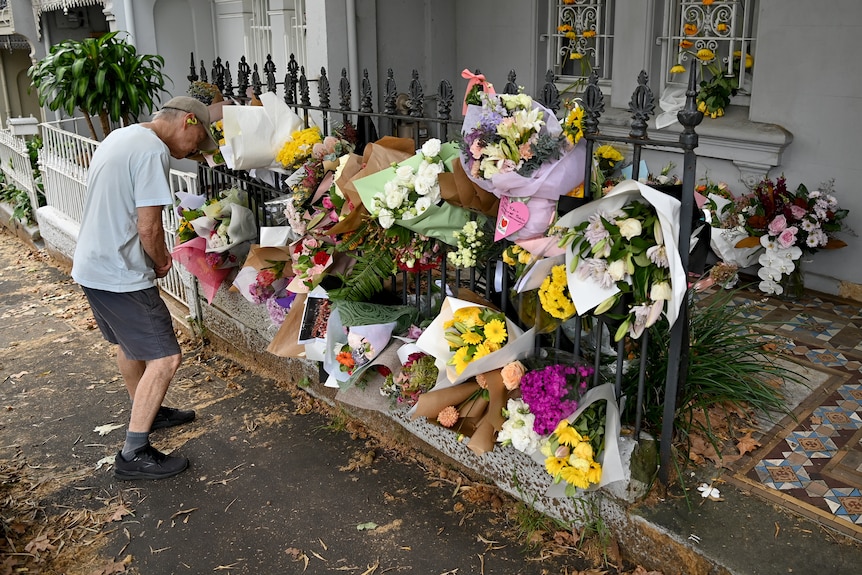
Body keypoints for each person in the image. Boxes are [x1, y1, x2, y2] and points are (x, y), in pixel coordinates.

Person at [71, 96, 218, 480]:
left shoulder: (122, 137)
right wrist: (161, 260)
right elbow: (149, 226)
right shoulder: (153, 151)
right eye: (197, 140)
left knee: (130, 346)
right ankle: (133, 452)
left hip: (92, 266)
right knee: (166, 358)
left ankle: (147, 407)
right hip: (120, 272)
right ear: (188, 120)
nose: (192, 152)